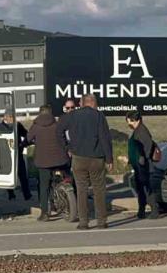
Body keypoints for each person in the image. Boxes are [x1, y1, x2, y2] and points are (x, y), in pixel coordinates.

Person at [56, 94, 112, 230]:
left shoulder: (72, 115)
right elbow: (105, 138)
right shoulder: (99, 116)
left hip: (78, 157)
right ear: (92, 102)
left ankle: (83, 222)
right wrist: (109, 158)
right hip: (96, 158)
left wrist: (67, 148)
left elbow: (58, 131)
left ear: (82, 103)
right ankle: (101, 221)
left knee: (81, 190)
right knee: (99, 190)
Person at [27, 105, 71, 221]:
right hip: (61, 160)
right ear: (50, 113)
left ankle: (45, 213)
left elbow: (28, 138)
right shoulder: (57, 124)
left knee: (44, 186)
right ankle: (72, 202)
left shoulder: (36, 126)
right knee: (67, 177)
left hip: (43, 162)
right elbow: (64, 139)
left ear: (40, 113)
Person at [126, 111, 159, 219]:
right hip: (138, 165)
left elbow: (147, 146)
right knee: (141, 189)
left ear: (137, 120)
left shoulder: (142, 131)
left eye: (130, 121)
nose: (129, 124)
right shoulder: (137, 130)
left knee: (147, 189)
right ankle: (141, 211)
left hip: (144, 166)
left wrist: (142, 159)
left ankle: (154, 210)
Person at [0, 110, 32, 201]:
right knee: (9, 175)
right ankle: (11, 194)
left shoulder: (18, 125)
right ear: (5, 117)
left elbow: (26, 134)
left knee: (22, 174)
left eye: (13, 117)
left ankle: (27, 195)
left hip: (17, 153)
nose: (12, 119)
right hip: (6, 155)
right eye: (10, 117)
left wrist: (24, 144)